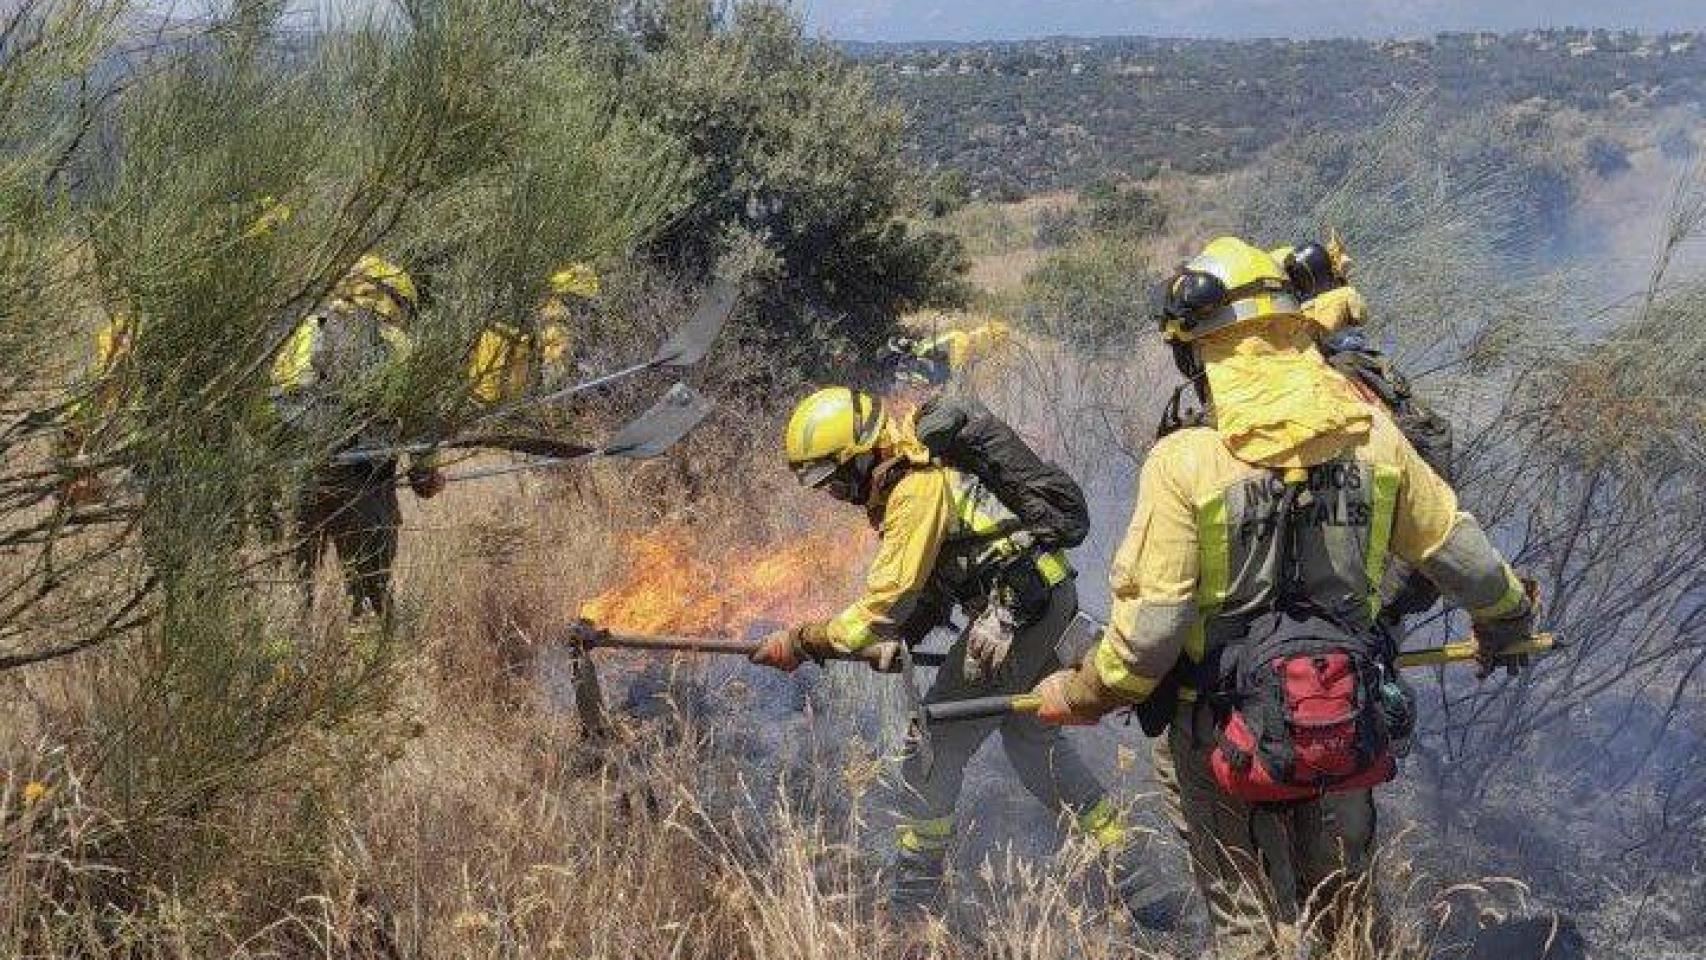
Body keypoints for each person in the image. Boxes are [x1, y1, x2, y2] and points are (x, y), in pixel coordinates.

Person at [1029, 237, 1537, 958]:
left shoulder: (1186, 462)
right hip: (1341, 719)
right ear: (1297, 331)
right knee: (1350, 921)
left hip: (1219, 739)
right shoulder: (1371, 437)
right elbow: (1464, 556)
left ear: (1193, 352)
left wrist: (1079, 693)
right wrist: (1508, 619)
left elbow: (1149, 641)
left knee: (1250, 932)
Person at [748, 386, 1176, 925]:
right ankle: (1145, 884)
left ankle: (912, 911)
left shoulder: (913, 488)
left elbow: (883, 603)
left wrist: (803, 640)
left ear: (860, 457)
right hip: (1038, 600)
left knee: (933, 745)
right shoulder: (919, 472)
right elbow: (934, 585)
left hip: (1014, 616)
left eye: (835, 481)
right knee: (1032, 743)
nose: (837, 495)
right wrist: (898, 637)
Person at [270, 254, 444, 625]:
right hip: (364, 482)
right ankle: (371, 659)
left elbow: (277, 400)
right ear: (395, 299)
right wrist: (425, 474)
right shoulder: (395, 342)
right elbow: (422, 416)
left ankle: (293, 657)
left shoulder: (307, 328)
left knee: (295, 589)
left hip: (302, 474)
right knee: (370, 592)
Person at [467, 262, 597, 407]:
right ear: (575, 296)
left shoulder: (534, 305)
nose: (585, 309)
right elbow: (555, 365)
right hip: (507, 405)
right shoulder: (556, 315)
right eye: (585, 303)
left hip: (476, 394)